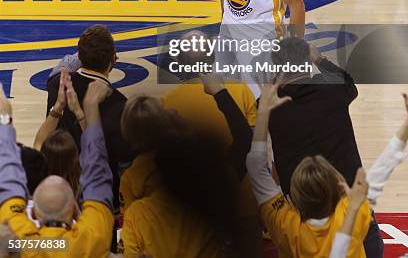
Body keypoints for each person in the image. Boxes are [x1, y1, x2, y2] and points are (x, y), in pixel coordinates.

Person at [247, 85, 408, 257]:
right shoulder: (349, 213)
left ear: (294, 196)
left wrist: (263, 112)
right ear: (336, 188)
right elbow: (383, 167)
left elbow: (255, 166)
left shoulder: (284, 225)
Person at [266, 36, 384, 255]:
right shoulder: (333, 90)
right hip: (345, 192)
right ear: (306, 63)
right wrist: (320, 60)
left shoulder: (268, 107)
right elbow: (349, 83)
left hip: (304, 199)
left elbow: (261, 160)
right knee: (369, 244)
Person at [119, 73, 254, 258]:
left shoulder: (132, 184)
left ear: (128, 134)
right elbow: (245, 139)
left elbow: (130, 248)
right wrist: (219, 92)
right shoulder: (208, 186)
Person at [0, 81, 115, 257]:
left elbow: (9, 182)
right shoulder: (93, 238)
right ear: (76, 209)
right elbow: (98, 176)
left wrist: (4, 118)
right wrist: (90, 109)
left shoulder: (20, 242)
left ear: (32, 211)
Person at [46, 25, 132, 209]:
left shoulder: (58, 84)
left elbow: (65, 64)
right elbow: (125, 166)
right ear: (113, 61)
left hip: (57, 193)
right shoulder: (121, 106)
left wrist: (86, 53)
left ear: (80, 55)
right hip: (99, 199)